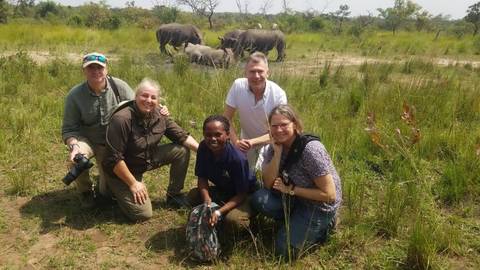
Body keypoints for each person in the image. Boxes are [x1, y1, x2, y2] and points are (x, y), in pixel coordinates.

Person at [251, 104, 342, 259]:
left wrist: (292, 190)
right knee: (259, 198)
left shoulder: (310, 150)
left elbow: (329, 195)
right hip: (296, 199)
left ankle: (327, 225)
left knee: (283, 250)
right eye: (275, 126)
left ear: (295, 124)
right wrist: (277, 154)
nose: (279, 130)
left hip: (319, 207)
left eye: (284, 125)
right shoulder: (274, 147)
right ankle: (296, 222)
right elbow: (268, 183)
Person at [103, 78, 199, 222]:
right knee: (143, 214)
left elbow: (181, 136)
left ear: (158, 100)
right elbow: (114, 159)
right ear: (135, 96)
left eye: (153, 97)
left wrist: (203, 151)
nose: (149, 100)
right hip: (121, 169)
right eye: (144, 95)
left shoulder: (160, 114)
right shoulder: (122, 119)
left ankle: (174, 195)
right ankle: (111, 188)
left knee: (182, 150)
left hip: (146, 159)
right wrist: (133, 183)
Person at [62, 52, 135, 208]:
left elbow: (138, 108)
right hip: (86, 139)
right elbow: (69, 128)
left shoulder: (120, 87)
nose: (96, 71)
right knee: (76, 159)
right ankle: (86, 192)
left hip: (111, 144)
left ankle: (104, 183)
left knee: (107, 195)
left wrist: (159, 108)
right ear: (84, 71)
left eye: (99, 67)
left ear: (106, 69)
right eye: (91, 68)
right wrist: (74, 146)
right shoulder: (74, 95)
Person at [187, 115, 257, 231]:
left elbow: (241, 194)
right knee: (193, 195)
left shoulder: (237, 159)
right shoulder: (204, 148)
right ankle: (216, 215)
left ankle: (249, 221)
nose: (213, 139)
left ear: (228, 135)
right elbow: (202, 177)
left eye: (218, 134)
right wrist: (206, 200)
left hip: (245, 194)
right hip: (225, 190)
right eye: (208, 135)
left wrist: (219, 212)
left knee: (234, 221)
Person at [224, 52, 287, 172]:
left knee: (262, 177)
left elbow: (280, 131)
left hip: (271, 142)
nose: (256, 76)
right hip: (244, 141)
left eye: (260, 71)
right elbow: (226, 118)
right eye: (252, 71)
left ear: (268, 73)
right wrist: (236, 141)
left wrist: (252, 142)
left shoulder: (278, 94)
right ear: (245, 73)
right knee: (239, 171)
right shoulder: (238, 86)